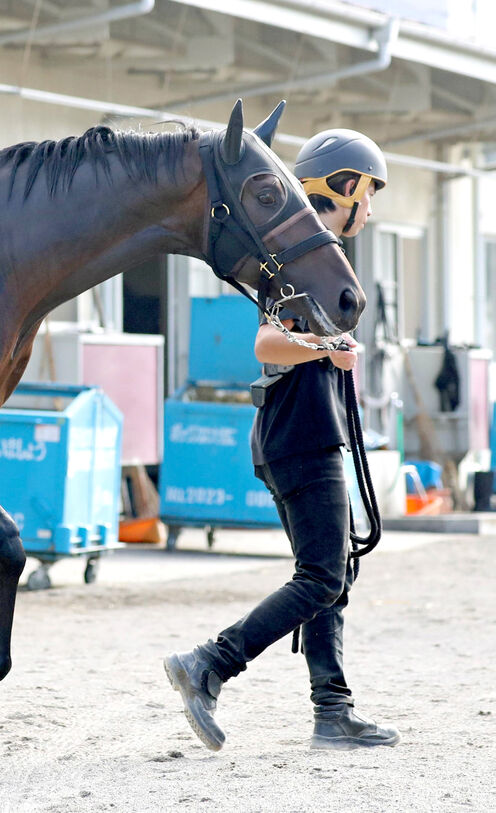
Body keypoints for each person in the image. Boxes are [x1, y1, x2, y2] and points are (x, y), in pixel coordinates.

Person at [164, 129, 400, 752]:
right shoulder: (295, 264)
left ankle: (333, 711)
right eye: (367, 193)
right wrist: (326, 346)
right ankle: (209, 664)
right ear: (345, 187)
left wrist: (330, 348)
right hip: (300, 436)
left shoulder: (310, 263)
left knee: (331, 574)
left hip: (300, 432)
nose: (369, 209)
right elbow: (267, 343)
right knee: (321, 577)